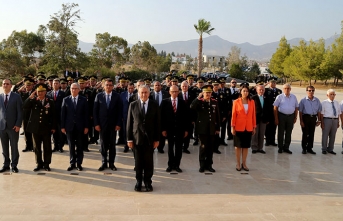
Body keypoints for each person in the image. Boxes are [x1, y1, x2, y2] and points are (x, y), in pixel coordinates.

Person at [127, 85, 160, 192]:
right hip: (137, 139)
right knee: (138, 162)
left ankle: (148, 182)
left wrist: (157, 139)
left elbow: (157, 123)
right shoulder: (133, 105)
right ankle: (138, 181)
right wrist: (129, 139)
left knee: (149, 162)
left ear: (149, 93)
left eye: (146, 92)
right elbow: (129, 124)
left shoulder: (154, 105)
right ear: (138, 93)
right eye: (142, 92)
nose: (144, 94)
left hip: (150, 139)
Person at [23, 83, 56, 171]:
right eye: (38, 92)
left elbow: (53, 115)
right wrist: (30, 97)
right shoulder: (33, 101)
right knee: (37, 147)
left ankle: (46, 164)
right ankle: (39, 164)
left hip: (46, 128)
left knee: (47, 147)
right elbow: (24, 106)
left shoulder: (50, 101)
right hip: (35, 128)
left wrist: (53, 127)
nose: (40, 93)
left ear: (45, 92)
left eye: (42, 91)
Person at [93, 79, 123, 171]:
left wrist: (118, 124)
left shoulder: (117, 96)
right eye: (107, 85)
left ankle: (112, 163)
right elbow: (95, 111)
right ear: (103, 86)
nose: (108, 87)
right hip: (102, 125)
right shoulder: (99, 96)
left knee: (112, 145)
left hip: (113, 125)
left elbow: (120, 111)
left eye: (110, 85)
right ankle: (104, 163)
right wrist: (96, 124)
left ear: (112, 86)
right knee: (103, 145)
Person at [190, 85, 220, 173]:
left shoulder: (214, 102)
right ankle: (202, 165)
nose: (208, 94)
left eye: (209, 93)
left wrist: (217, 128)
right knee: (203, 147)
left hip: (211, 129)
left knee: (210, 148)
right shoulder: (200, 102)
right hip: (202, 129)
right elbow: (192, 106)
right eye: (206, 92)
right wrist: (198, 97)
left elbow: (217, 116)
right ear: (203, 93)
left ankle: (209, 165)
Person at [161, 85, 190, 173]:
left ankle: (177, 165)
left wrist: (186, 130)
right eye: (172, 91)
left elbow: (186, 117)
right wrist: (163, 129)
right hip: (169, 129)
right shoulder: (164, 102)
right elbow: (161, 117)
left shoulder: (182, 102)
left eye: (176, 91)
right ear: (169, 92)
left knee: (178, 148)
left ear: (178, 92)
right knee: (170, 148)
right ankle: (170, 165)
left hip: (180, 129)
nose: (174, 93)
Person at [61, 83, 89, 171]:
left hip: (80, 127)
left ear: (79, 90)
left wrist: (86, 126)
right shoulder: (66, 100)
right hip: (69, 127)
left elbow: (86, 115)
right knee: (71, 146)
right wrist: (62, 126)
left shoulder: (83, 100)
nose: (73, 90)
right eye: (72, 88)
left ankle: (79, 164)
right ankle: (72, 163)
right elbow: (63, 114)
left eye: (75, 88)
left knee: (80, 146)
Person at [0, 79, 23, 173]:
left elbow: (20, 112)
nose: (5, 85)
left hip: (13, 127)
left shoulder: (16, 97)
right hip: (2, 127)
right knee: (4, 147)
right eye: (4, 84)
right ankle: (6, 165)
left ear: (11, 85)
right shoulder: (0, 97)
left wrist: (18, 124)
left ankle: (14, 165)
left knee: (14, 146)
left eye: (7, 84)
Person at [231, 86, 256, 171]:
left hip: (248, 127)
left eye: (247, 91)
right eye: (244, 91)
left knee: (245, 146)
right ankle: (238, 163)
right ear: (240, 92)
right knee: (238, 146)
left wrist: (254, 126)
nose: (245, 92)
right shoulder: (236, 102)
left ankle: (244, 163)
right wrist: (233, 127)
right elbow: (233, 115)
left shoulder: (252, 102)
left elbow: (253, 115)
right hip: (238, 127)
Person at [273, 84, 299, 154]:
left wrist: (295, 117)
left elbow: (296, 108)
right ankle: (280, 147)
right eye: (285, 88)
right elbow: (275, 108)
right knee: (281, 132)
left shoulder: (294, 97)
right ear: (283, 89)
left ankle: (286, 147)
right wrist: (276, 118)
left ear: (290, 89)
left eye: (288, 88)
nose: (287, 90)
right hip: (281, 116)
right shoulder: (279, 97)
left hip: (291, 116)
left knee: (288, 133)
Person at [298, 86, 322, 154]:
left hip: (313, 118)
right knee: (305, 134)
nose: (311, 92)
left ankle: (310, 148)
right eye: (309, 90)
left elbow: (319, 111)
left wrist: (319, 120)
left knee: (311, 133)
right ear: (306, 91)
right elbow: (300, 111)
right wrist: (301, 121)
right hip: (306, 117)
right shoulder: (303, 100)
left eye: (312, 90)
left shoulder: (317, 100)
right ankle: (304, 148)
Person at [251, 84, 272, 154]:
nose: (261, 91)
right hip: (255, 119)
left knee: (262, 133)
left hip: (264, 119)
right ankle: (254, 147)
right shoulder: (253, 98)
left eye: (263, 89)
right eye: (260, 89)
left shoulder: (267, 98)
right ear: (257, 90)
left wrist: (268, 119)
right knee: (255, 134)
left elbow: (269, 109)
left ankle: (260, 148)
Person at [47, 78, 66, 153]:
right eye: (54, 83)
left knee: (60, 132)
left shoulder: (63, 94)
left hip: (60, 116)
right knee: (54, 132)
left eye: (57, 83)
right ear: (52, 84)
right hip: (52, 117)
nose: (55, 85)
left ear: (59, 85)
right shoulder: (48, 94)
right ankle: (55, 146)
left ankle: (60, 146)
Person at [150, 81, 169, 153]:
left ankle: (160, 147)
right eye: (155, 85)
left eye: (158, 85)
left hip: (163, 117)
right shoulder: (150, 94)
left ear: (161, 86)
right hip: (152, 117)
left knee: (162, 132)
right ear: (153, 86)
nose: (157, 86)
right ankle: (152, 147)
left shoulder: (166, 94)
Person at [321, 89, 340, 155]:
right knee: (325, 135)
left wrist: (338, 122)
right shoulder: (324, 103)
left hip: (335, 120)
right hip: (327, 120)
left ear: (335, 95)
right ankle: (324, 149)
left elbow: (338, 113)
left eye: (333, 94)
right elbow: (322, 113)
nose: (332, 96)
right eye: (330, 94)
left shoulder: (337, 103)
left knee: (333, 136)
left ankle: (330, 149)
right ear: (327, 95)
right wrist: (322, 122)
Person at [178, 81, 195, 154]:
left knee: (188, 133)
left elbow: (195, 108)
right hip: (180, 118)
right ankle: (180, 146)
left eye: (186, 86)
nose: (184, 88)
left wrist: (194, 119)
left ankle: (185, 147)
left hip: (189, 118)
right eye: (183, 86)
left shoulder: (192, 95)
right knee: (180, 133)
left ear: (188, 87)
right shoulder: (178, 95)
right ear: (181, 87)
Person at [264, 79, 282, 146]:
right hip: (268, 111)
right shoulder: (266, 90)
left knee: (274, 127)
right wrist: (264, 85)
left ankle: (272, 141)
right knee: (267, 127)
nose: (273, 84)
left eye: (274, 83)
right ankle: (267, 140)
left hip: (276, 111)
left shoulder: (279, 91)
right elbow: (257, 88)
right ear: (269, 83)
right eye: (272, 83)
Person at [120, 82, 135, 152]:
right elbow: (120, 106)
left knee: (133, 131)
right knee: (125, 131)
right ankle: (126, 146)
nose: (130, 90)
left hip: (134, 117)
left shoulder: (136, 95)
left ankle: (133, 146)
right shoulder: (122, 95)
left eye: (132, 88)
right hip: (125, 116)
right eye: (129, 88)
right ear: (127, 88)